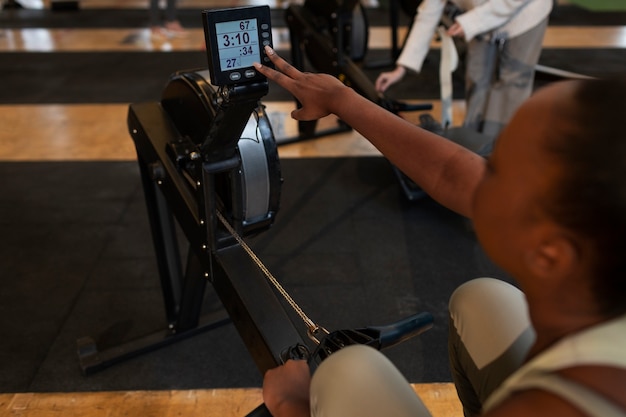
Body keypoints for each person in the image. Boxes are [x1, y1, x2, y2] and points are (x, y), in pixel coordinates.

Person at [254, 46, 626, 417]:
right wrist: (342, 99)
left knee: (343, 372)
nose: (479, 173)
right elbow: (454, 172)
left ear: (550, 255)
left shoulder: (558, 405)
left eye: (498, 171)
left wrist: (293, 406)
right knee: (482, 298)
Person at [375, 0, 552, 139]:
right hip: (478, 14)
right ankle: (475, 142)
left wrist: (471, 22)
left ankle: (504, 148)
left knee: (509, 86)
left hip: (525, 14)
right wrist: (401, 68)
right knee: (476, 77)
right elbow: (429, 11)